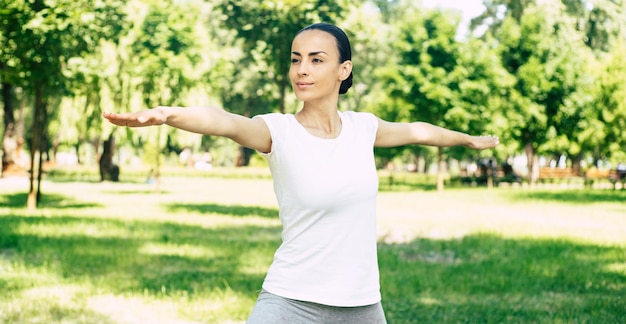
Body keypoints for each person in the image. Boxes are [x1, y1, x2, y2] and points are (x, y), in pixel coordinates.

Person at [103, 22, 499, 324]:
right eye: (296, 59)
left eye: (316, 60)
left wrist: (468, 140)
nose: (301, 70)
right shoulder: (279, 131)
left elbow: (418, 132)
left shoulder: (363, 128)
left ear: (344, 70)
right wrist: (168, 115)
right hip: (291, 302)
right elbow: (222, 121)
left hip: (362, 305)